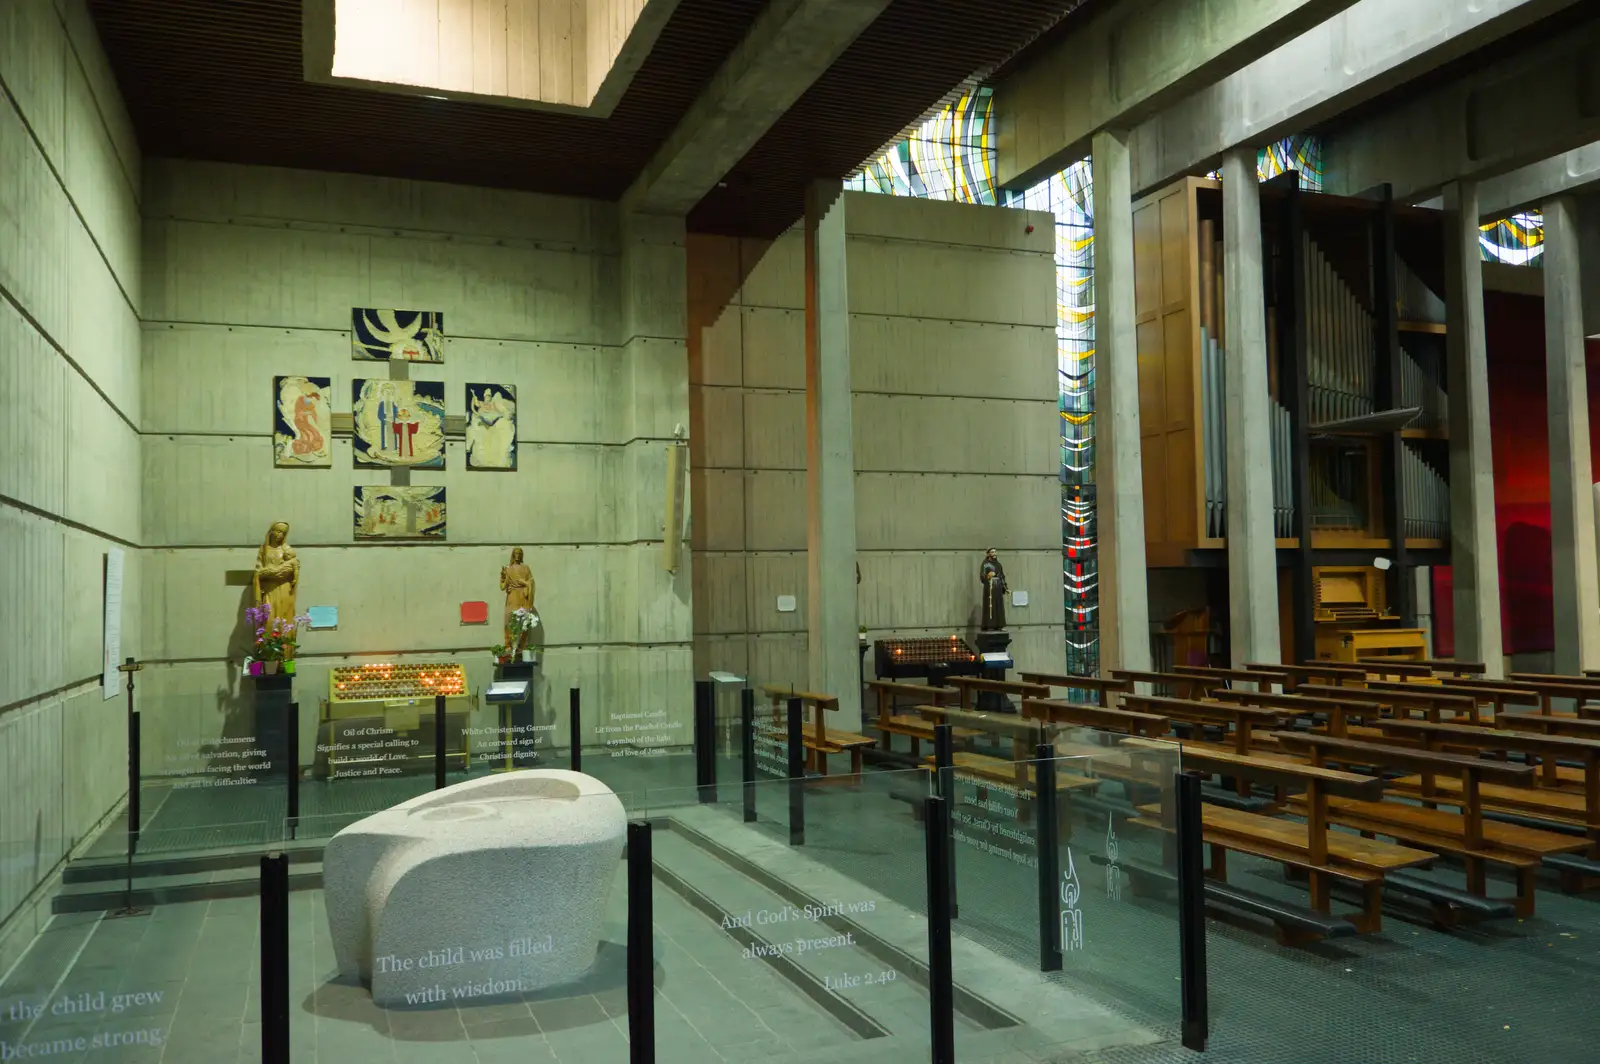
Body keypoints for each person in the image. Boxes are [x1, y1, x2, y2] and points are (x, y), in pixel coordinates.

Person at [253, 521, 299, 623]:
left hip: (284, 587)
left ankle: (284, 637)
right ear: (271, 532)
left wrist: (284, 571)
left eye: (283, 533)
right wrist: (267, 572)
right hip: (269, 588)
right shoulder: (264, 550)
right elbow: (258, 572)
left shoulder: (287, 550)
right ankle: (269, 638)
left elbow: (294, 568)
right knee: (269, 617)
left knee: (285, 617)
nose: (280, 535)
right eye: (278, 531)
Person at [500, 548, 535, 649]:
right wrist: (503, 577)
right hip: (512, 596)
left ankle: (522, 646)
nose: (518, 555)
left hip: (523, 596)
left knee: (524, 620)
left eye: (520, 554)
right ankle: (508, 645)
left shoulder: (526, 568)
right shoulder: (508, 568)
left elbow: (531, 582)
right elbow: (502, 586)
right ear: (513, 555)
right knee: (509, 619)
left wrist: (525, 584)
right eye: (516, 553)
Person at [979, 548, 1006, 630]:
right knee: (990, 606)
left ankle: (999, 625)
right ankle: (989, 625)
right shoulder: (985, 564)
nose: (994, 553)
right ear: (988, 554)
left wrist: (1004, 586)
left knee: (998, 605)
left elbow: (1002, 575)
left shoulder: (999, 564)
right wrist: (988, 576)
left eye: (995, 552)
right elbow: (982, 575)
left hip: (998, 588)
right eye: (992, 552)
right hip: (990, 588)